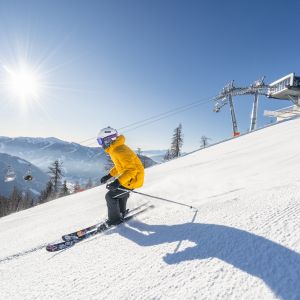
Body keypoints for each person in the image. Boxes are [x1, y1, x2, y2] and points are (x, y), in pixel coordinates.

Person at [98, 126, 144, 225]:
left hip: (133, 179)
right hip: (130, 177)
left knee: (110, 196)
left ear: (108, 140)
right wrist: (109, 175)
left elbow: (131, 170)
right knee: (117, 192)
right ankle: (120, 212)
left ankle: (114, 220)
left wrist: (117, 182)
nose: (101, 145)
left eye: (101, 141)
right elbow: (119, 166)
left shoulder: (119, 150)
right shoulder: (115, 148)